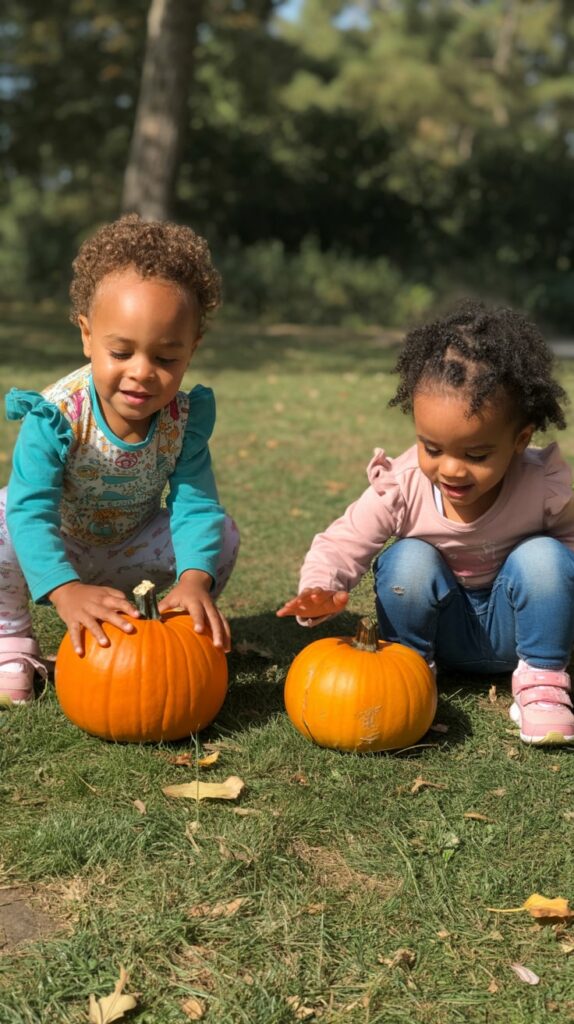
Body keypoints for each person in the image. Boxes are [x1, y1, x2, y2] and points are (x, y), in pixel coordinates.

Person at [278, 301, 574, 746]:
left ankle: (543, 686)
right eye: (432, 448)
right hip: (439, 633)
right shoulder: (403, 486)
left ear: (520, 439)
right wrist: (321, 585)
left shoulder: (543, 485)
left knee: (546, 556)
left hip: (520, 633)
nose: (452, 470)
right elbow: (343, 541)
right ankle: (414, 678)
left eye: (476, 455)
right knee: (407, 559)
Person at [0, 213, 239, 704]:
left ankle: (173, 624)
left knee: (222, 535)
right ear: (88, 336)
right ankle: (12, 642)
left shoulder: (184, 421)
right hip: (58, 543)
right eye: (122, 352)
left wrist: (195, 579)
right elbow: (30, 510)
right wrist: (65, 591)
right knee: (0, 518)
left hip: (135, 548)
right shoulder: (56, 417)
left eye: (166, 358)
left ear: (191, 349)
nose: (142, 373)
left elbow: (196, 506)